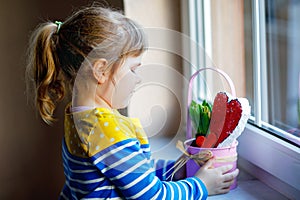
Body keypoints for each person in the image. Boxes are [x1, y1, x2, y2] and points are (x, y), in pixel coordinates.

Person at [25, 5, 239, 199]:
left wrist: (179, 169)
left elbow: (131, 174)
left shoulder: (81, 116)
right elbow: (151, 196)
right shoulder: (106, 131)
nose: (138, 78)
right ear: (100, 70)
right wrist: (201, 185)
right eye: (133, 69)